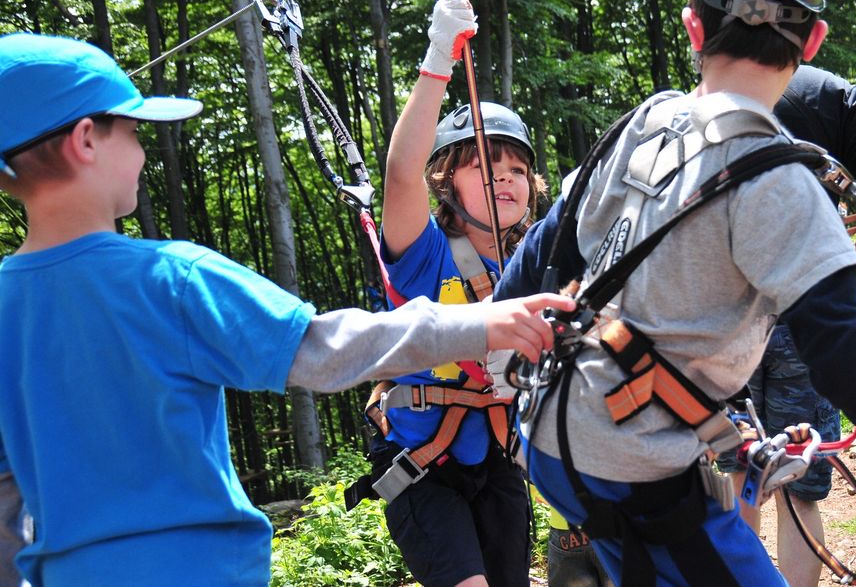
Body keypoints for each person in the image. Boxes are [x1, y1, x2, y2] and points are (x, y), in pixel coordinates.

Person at [0, 32, 573, 585]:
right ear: (86, 139)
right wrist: (480, 324)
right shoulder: (172, 279)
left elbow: (6, 492)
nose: (143, 151)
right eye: (132, 132)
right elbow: (320, 351)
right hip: (197, 569)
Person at [494, 0, 856, 583]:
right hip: (633, 465)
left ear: (693, 27)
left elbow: (544, 252)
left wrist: (492, 353)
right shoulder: (782, 181)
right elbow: (840, 349)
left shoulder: (641, 123)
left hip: (549, 432)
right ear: (814, 41)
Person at [709, 64, 856, 586]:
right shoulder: (830, 93)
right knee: (797, 482)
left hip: (724, 313)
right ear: (809, 37)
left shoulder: (708, 95)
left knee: (740, 473)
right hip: (809, 306)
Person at [369, 0, 549, 587]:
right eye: (483, 167)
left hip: (497, 460)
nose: (505, 178)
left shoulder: (533, 261)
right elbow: (401, 173)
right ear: (446, 183)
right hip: (422, 467)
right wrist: (438, 59)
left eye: (517, 169)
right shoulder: (424, 254)